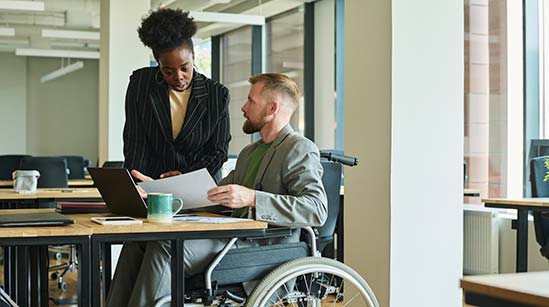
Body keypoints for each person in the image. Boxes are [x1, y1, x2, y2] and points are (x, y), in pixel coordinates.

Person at [106, 73, 327, 307]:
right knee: (138, 243)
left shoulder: (299, 148)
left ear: (272, 108)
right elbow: (211, 194)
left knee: (166, 247)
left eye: (251, 101)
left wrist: (252, 198)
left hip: (263, 248)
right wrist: (158, 190)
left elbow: (316, 209)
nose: (243, 107)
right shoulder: (249, 153)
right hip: (232, 239)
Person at [123, 8, 230, 182]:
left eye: (185, 68)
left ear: (193, 58)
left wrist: (184, 177)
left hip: (199, 185)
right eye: (168, 71)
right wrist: (136, 182)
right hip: (152, 183)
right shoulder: (141, 84)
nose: (179, 77)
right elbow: (135, 142)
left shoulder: (217, 95)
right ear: (159, 65)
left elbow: (218, 152)